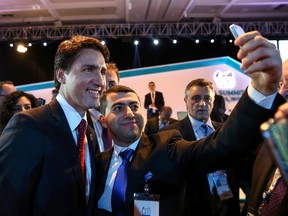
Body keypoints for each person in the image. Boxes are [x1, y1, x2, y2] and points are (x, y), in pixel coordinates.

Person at [94, 30, 284, 216]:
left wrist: (261, 90)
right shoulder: (98, 164)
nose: (129, 113)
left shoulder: (164, 148)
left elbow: (220, 147)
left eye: (134, 106)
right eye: (118, 108)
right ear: (103, 120)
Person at [0, 35, 110, 216]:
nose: (100, 81)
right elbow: (7, 202)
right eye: (89, 69)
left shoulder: (88, 133)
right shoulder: (29, 125)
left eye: (103, 72)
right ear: (61, 75)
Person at [161, 78, 240, 215]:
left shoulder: (225, 131)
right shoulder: (169, 134)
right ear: (186, 101)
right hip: (187, 210)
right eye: (196, 98)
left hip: (225, 207)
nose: (202, 103)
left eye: (207, 98)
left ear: (213, 101)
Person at [87, 63, 120, 154]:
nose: (106, 89)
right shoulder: (81, 122)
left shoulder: (125, 120)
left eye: (111, 84)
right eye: (102, 83)